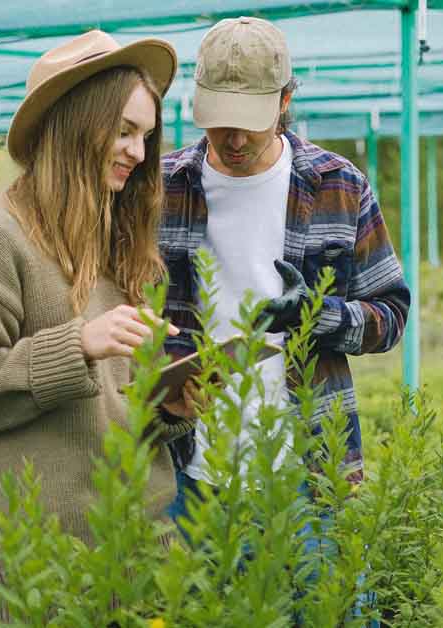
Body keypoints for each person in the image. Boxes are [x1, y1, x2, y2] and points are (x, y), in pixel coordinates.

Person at [157, 13, 409, 586]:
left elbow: (391, 314)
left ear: (286, 100)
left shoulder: (338, 186)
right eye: (220, 121)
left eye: (249, 121)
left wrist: (322, 317)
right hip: (188, 470)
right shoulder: (162, 188)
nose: (235, 138)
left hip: (309, 471)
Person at [0, 30, 181, 550]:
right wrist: (80, 344)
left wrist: (170, 404)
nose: (138, 152)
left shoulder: (118, 241)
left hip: (142, 549)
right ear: (78, 124)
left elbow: (113, 407)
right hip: (47, 565)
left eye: (146, 136)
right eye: (125, 130)